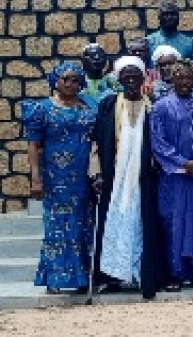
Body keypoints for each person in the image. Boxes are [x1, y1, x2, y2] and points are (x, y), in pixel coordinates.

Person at [22, 62, 97, 294]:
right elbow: (33, 146)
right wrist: (36, 179)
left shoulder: (90, 105)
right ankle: (55, 278)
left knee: (84, 223)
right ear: (56, 81)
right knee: (58, 226)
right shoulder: (42, 109)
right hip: (56, 177)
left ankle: (82, 278)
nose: (70, 83)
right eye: (65, 79)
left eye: (75, 79)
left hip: (86, 175)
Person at [91, 56, 161, 298]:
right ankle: (113, 276)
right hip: (115, 175)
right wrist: (97, 173)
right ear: (118, 78)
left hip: (143, 177)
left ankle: (141, 275)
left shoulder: (152, 104)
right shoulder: (108, 104)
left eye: (136, 75)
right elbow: (96, 141)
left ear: (144, 78)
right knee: (114, 222)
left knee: (141, 222)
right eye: (126, 75)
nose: (131, 79)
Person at [150, 59, 193, 291]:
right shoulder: (161, 107)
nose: (185, 81)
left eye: (189, 77)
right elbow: (158, 142)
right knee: (174, 223)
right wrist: (184, 163)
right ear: (173, 79)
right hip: (174, 177)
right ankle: (175, 274)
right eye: (181, 77)